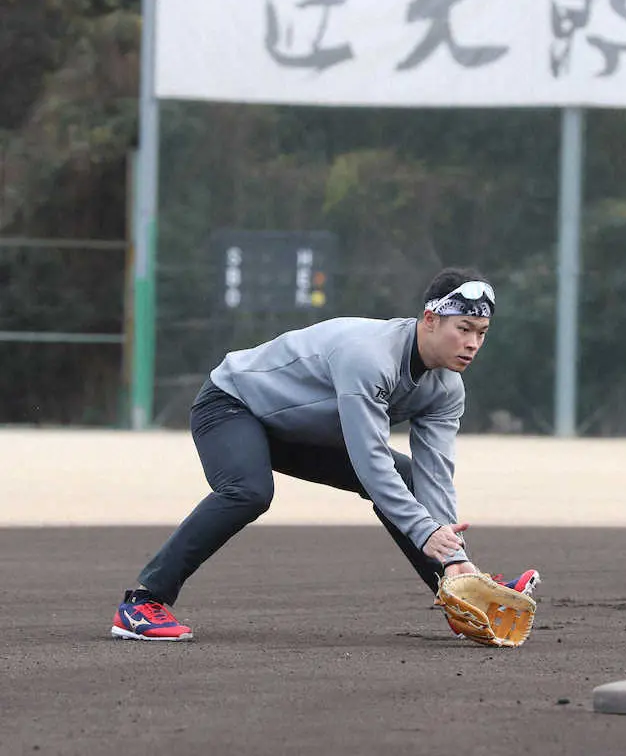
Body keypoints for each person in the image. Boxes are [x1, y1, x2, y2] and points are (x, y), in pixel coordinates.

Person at [110, 267, 539, 641]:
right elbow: (370, 461)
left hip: (300, 430)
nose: (472, 343)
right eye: (462, 328)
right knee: (248, 490)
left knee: (410, 482)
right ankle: (142, 602)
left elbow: (436, 475)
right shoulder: (369, 357)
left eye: (481, 333)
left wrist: (454, 557)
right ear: (429, 320)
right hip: (232, 405)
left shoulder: (446, 388)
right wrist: (428, 532)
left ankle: (459, 595)